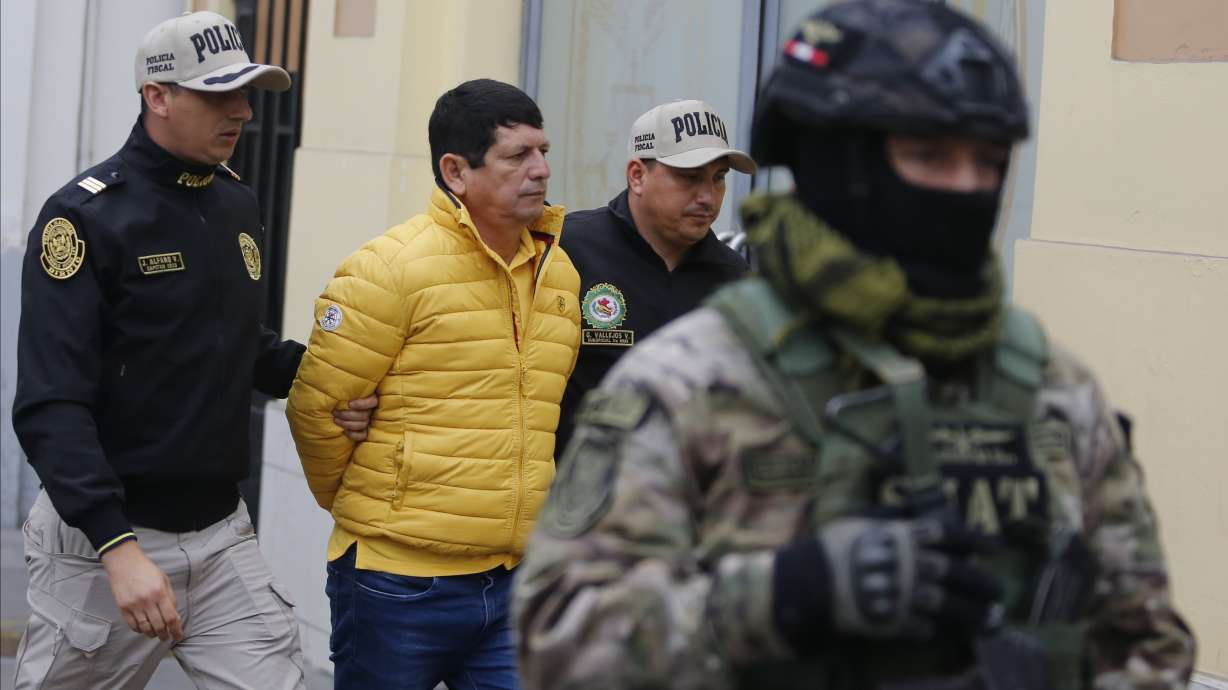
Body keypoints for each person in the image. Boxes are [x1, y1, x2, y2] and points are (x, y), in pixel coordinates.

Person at [513, 2, 1196, 689]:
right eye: (929, 156)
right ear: (837, 164)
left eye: (986, 162)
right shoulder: (696, 378)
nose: (966, 188)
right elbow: (561, 642)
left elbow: (1151, 644)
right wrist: (785, 596)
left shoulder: (1053, 388)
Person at [11, 11, 374, 689]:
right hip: (103, 544)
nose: (241, 112)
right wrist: (116, 548)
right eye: (217, 96)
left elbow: (243, 347)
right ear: (158, 96)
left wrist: (332, 380)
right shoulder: (84, 217)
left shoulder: (234, 202)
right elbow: (50, 405)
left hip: (219, 534)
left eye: (246, 95)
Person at [285, 78, 581, 689]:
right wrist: (371, 504)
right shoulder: (388, 268)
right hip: (398, 584)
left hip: (515, 579)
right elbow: (316, 408)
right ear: (455, 171)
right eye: (518, 155)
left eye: (544, 152)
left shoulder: (559, 275)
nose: (541, 170)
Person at [555, 99, 756, 454]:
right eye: (690, 177)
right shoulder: (567, 250)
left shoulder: (734, 278)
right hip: (577, 496)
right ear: (637, 176)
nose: (708, 196)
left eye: (719, 178)